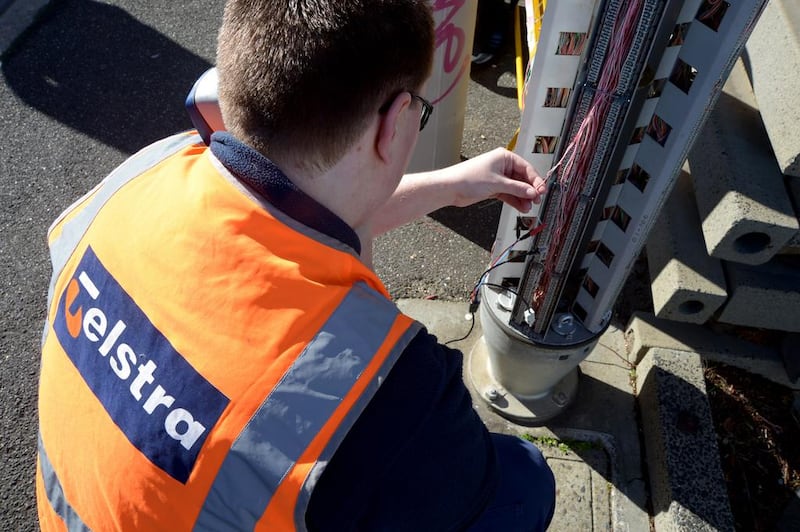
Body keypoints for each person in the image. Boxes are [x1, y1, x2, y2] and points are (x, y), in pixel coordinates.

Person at [36, 1, 555, 530]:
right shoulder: (389, 395)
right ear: (399, 121)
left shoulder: (145, 174)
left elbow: (302, 210)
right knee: (523, 480)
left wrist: (455, 185)